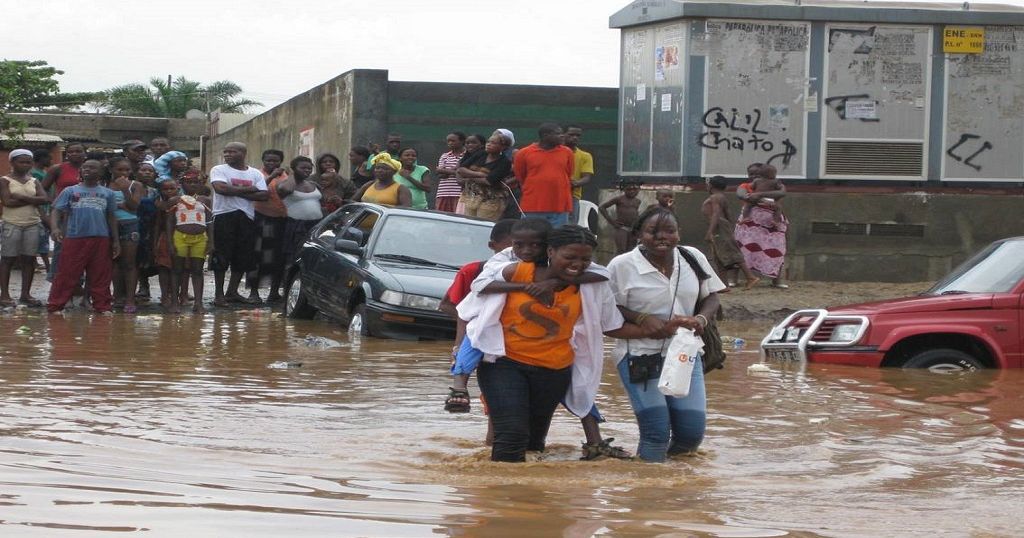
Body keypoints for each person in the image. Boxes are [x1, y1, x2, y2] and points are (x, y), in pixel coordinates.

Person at [456, 224, 659, 462]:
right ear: (550, 252)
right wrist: (530, 287)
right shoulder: (517, 271)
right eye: (569, 257)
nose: (577, 264)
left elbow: (611, 325)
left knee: (533, 444)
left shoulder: (592, 284)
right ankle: (501, 496)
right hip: (504, 363)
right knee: (511, 436)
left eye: (585, 258)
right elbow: (474, 295)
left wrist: (659, 331)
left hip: (554, 371)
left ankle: (533, 497)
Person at [607, 205, 726, 462]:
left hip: (684, 354)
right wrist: (642, 318)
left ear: (679, 234)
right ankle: (648, 493)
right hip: (639, 356)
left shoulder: (692, 257)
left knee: (691, 435)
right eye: (653, 231)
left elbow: (712, 296)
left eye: (669, 231)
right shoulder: (622, 265)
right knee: (656, 434)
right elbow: (608, 307)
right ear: (639, 234)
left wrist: (700, 318)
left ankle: (674, 493)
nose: (662, 237)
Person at [47, 159, 120, 313]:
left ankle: (102, 305)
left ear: (100, 173)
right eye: (85, 167)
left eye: (92, 167)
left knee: (100, 274)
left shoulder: (108, 193)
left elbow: (112, 217)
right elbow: (56, 210)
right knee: (67, 272)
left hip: (101, 238)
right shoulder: (70, 191)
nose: (87, 170)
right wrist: (55, 228)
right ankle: (55, 305)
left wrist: (116, 241)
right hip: (75, 237)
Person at [209, 142, 269, 307]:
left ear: (243, 153)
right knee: (221, 256)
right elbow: (220, 188)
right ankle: (218, 295)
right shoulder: (219, 169)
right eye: (225, 151)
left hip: (247, 217)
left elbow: (264, 195)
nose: (227, 154)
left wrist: (234, 190)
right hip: (224, 215)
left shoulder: (255, 173)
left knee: (243, 256)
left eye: (232, 152)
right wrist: (250, 190)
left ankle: (232, 292)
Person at [1, 149, 49, 307]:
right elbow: (7, 202)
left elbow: (45, 199)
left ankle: (25, 294)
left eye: (28, 162)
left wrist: (21, 197)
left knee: (29, 259)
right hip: (11, 223)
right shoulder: (5, 180)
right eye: (21, 161)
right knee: (8, 259)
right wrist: (33, 200)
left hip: (32, 224)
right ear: (12, 162)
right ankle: (5, 295)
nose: (25, 165)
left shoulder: (34, 180)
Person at [735, 164, 789, 287]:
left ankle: (777, 280)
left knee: (776, 249)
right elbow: (740, 194)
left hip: (771, 223)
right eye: (751, 174)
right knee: (741, 247)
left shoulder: (776, 183)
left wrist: (759, 195)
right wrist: (752, 197)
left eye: (757, 174)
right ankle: (734, 279)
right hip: (749, 224)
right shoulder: (746, 185)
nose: (754, 176)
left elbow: (782, 193)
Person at [512, 123, 574, 227]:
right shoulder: (524, 153)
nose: (562, 136)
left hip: (560, 206)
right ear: (545, 136)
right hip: (533, 206)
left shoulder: (567, 152)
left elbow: (568, 173)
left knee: (557, 239)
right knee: (531, 237)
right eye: (558, 134)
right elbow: (520, 176)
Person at [248, 149, 289, 304]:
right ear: (263, 161)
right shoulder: (257, 174)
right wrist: (271, 176)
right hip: (261, 218)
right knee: (258, 255)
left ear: (281, 161)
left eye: (275, 161)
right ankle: (253, 292)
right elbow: (256, 189)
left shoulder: (286, 176)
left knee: (279, 257)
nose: (272, 163)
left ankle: (274, 292)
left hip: (282, 219)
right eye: (268, 161)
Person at [702, 176, 759, 289]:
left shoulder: (716, 197)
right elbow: (728, 214)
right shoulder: (721, 197)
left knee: (732, 252)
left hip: (719, 227)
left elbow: (716, 214)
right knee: (719, 256)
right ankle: (724, 285)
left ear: (711, 186)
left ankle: (750, 277)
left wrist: (710, 231)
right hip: (721, 227)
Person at [168, 175, 213, 314]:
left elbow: (210, 221)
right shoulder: (175, 200)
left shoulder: (205, 200)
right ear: (181, 184)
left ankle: (198, 303)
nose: (192, 185)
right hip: (180, 237)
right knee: (177, 270)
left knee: (198, 271)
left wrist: (211, 241)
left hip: (200, 238)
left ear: (201, 184)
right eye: (189, 182)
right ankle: (175, 302)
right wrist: (170, 242)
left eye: (196, 182)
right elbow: (169, 222)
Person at [106, 157, 145, 313]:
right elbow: (107, 209)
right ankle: (117, 296)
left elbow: (134, 207)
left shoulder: (136, 185)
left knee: (129, 263)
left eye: (127, 170)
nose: (124, 173)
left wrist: (124, 191)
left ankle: (130, 298)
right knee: (114, 262)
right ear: (111, 170)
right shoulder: (105, 186)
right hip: (109, 225)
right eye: (120, 170)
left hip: (130, 225)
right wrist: (123, 206)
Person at [277, 156, 323, 272]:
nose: (307, 171)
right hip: (295, 225)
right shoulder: (285, 184)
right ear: (293, 169)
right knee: (291, 257)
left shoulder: (313, 184)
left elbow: (321, 202)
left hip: (314, 225)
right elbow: (286, 190)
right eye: (302, 168)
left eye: (309, 168)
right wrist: (292, 175)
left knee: (310, 256)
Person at [456, 133, 513, 221]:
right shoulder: (481, 154)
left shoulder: (505, 162)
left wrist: (469, 176)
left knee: (482, 224)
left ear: (503, 147)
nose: (489, 144)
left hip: (490, 200)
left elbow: (488, 181)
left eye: (493, 143)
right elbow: (461, 169)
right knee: (469, 223)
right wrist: (479, 174)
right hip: (472, 197)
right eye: (488, 142)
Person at [134, 161, 160, 302]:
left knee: (151, 256)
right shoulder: (131, 188)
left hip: (151, 225)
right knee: (136, 258)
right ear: (137, 172)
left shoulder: (155, 191)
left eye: (150, 171)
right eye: (143, 170)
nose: (147, 173)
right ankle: (142, 286)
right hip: (134, 225)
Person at [599, 179, 642, 254]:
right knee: (621, 250)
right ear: (624, 189)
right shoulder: (619, 199)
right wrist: (612, 222)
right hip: (622, 228)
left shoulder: (637, 201)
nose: (632, 191)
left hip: (633, 229)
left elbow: (635, 213)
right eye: (629, 189)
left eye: (635, 189)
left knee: (631, 251)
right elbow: (602, 207)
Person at [565, 125, 594, 223]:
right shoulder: (553, 154)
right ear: (563, 135)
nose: (575, 137)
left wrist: (575, 183)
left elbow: (586, 177)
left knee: (571, 226)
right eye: (571, 134)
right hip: (553, 195)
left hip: (573, 196)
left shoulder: (585, 156)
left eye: (578, 135)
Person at [30, 149, 53, 274]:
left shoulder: (43, 172)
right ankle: (47, 265)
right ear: (41, 159)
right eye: (49, 158)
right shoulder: (35, 174)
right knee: (41, 236)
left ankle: (36, 263)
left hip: (46, 207)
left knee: (41, 236)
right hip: (41, 208)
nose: (51, 161)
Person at [434, 132, 467, 213]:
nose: (450, 143)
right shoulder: (445, 156)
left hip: (459, 193)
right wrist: (455, 171)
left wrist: (443, 170)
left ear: (462, 141)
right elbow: (441, 175)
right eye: (448, 141)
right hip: (443, 193)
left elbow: (464, 173)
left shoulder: (467, 156)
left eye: (453, 141)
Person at [455, 134, 486, 214]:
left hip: (481, 195)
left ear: (482, 144)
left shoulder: (484, 156)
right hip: (467, 194)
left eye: (473, 142)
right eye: (467, 143)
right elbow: (459, 173)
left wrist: (467, 177)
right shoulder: (465, 158)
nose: (469, 145)